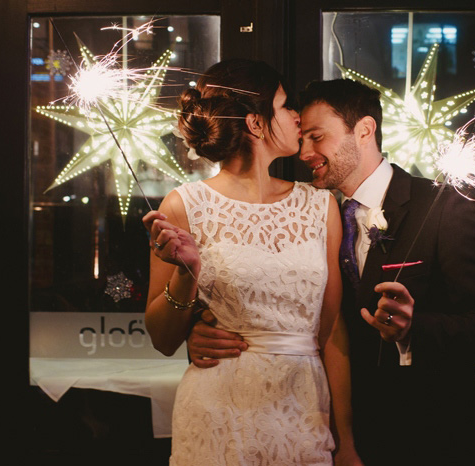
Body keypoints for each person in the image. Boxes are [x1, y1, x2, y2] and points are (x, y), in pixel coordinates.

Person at [189, 78, 475, 465]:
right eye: (302, 138)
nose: (304, 152)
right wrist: (204, 328)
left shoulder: (445, 208)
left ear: (363, 130)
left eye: (316, 137)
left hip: (429, 436)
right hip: (327, 433)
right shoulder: (309, 215)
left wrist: (414, 330)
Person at [142, 61, 361, 465]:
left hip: (303, 410)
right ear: (256, 124)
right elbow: (161, 338)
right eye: (283, 105)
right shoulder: (184, 204)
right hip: (215, 413)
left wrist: (344, 441)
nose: (296, 115)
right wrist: (187, 274)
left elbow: (331, 332)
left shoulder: (319, 205)